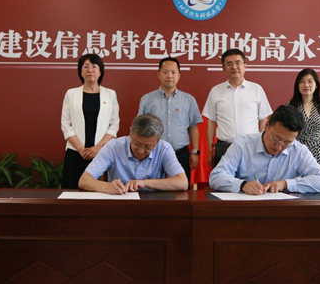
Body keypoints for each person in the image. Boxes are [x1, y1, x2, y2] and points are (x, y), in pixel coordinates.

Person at [209, 105, 320, 194]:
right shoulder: (242, 145)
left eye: (287, 143)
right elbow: (216, 177)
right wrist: (243, 185)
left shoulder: (299, 150)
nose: (279, 147)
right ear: (267, 126)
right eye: (276, 139)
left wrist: (285, 184)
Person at [78, 114, 188, 194]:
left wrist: (145, 183)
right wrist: (107, 187)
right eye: (137, 144)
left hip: (153, 204)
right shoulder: (113, 147)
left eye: (148, 147)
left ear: (158, 141)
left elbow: (182, 183)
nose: (141, 151)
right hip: (120, 202)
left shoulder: (164, 148)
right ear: (130, 134)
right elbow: (84, 180)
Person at [138, 57, 203, 189]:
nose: (169, 76)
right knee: (152, 189)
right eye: (165, 72)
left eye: (173, 72)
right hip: (153, 153)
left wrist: (195, 152)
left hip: (180, 154)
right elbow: (140, 128)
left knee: (182, 190)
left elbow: (193, 127)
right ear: (159, 74)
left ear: (179, 75)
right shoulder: (147, 99)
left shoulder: (189, 99)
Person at [202, 48, 272, 167]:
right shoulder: (216, 91)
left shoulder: (256, 89)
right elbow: (211, 122)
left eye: (238, 63)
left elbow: (263, 120)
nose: (234, 67)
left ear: (245, 66)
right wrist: (210, 150)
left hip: (251, 146)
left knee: (251, 178)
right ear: (223, 69)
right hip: (224, 147)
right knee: (223, 178)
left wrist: (261, 146)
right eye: (229, 64)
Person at [60, 54, 119, 189]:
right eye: (85, 67)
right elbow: (65, 124)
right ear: (80, 72)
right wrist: (81, 149)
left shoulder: (110, 94)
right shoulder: (71, 94)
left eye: (94, 66)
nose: (90, 70)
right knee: (72, 189)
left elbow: (114, 125)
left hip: (101, 152)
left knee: (100, 191)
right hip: (76, 152)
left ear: (100, 71)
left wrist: (97, 148)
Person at [288, 68, 320, 181]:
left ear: (316, 85)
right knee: (298, 185)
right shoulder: (291, 106)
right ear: (297, 85)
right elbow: (286, 134)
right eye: (302, 81)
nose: (306, 85)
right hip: (297, 153)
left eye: (310, 81)